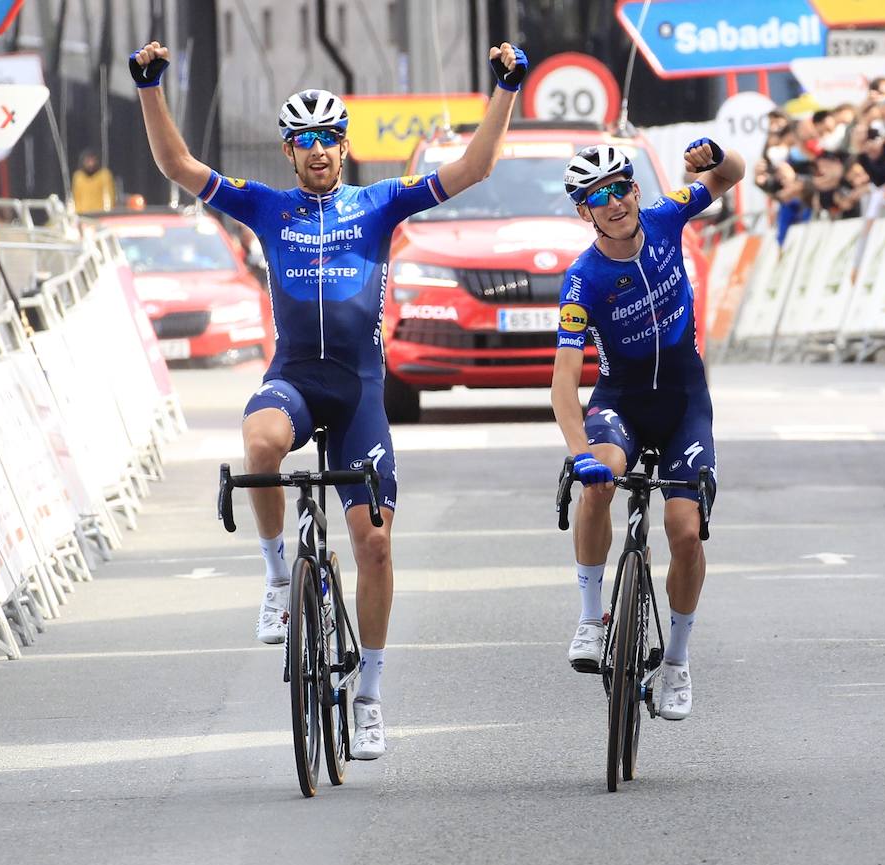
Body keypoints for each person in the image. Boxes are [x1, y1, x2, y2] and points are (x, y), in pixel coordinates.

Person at [129, 38, 527, 760]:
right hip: (296, 380)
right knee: (258, 444)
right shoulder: (268, 209)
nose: (318, 150)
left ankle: (370, 696)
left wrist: (503, 89)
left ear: (344, 147)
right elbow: (179, 167)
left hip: (360, 394)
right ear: (288, 151)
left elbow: (474, 166)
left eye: (329, 139)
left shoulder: (379, 204)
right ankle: (280, 576)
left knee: (373, 544)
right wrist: (150, 86)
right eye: (304, 140)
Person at [550, 136, 745, 721]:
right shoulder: (582, 280)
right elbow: (564, 386)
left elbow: (731, 175)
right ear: (584, 212)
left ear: (636, 189)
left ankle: (678, 662)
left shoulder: (665, 216)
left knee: (684, 530)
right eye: (597, 197)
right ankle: (590, 617)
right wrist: (579, 451)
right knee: (599, 480)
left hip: (685, 402)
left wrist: (716, 156)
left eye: (620, 188)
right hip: (622, 404)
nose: (614, 202)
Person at [71, 148, 116, 214]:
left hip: (100, 214)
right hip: (83, 215)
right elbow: (76, 198)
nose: (91, 164)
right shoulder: (78, 176)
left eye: (93, 160)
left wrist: (108, 212)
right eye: (88, 161)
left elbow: (110, 196)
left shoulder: (104, 175)